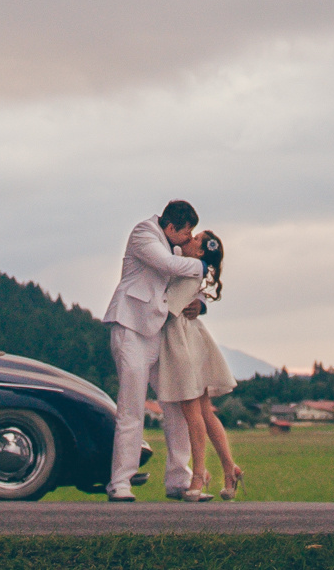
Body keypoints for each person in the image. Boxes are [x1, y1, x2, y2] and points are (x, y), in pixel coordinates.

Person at [102, 200, 205, 501]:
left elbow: (183, 284)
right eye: (187, 233)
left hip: (158, 332)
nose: (189, 239)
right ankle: (120, 482)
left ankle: (178, 479)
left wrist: (202, 304)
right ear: (171, 227)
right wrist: (203, 263)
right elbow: (170, 267)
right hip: (130, 327)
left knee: (175, 404)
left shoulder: (172, 245)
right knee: (131, 407)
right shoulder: (143, 234)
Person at [158, 231, 242, 500]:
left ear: (201, 251)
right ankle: (229, 468)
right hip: (190, 337)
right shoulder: (185, 261)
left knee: (192, 411)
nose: (190, 238)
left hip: (183, 340)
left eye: (196, 238)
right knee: (204, 411)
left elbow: (168, 305)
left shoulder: (191, 268)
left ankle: (198, 475)